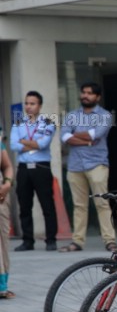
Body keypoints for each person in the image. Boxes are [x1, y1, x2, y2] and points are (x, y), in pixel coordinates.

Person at [60, 81, 115, 252]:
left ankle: (110, 240)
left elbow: (97, 134)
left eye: (90, 93)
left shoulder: (105, 115)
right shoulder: (71, 115)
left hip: (97, 164)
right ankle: (77, 242)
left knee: (102, 204)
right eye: (83, 92)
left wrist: (74, 136)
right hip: (75, 165)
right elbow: (64, 136)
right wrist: (88, 141)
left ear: (97, 97)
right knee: (79, 205)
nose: (85, 95)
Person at [13, 91, 58, 251]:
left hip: (41, 168)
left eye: (32, 104)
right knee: (24, 206)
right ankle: (28, 241)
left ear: (39, 105)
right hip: (24, 169)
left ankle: (51, 240)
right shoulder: (18, 123)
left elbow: (43, 144)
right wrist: (33, 143)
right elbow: (13, 145)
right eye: (27, 103)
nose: (28, 107)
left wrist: (24, 142)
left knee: (47, 205)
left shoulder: (48, 123)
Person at [0, 131, 13, 297]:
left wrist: (7, 184)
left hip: (1, 197)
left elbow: (7, 166)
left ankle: (2, 285)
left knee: (3, 240)